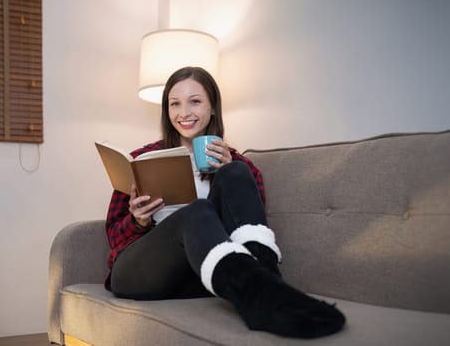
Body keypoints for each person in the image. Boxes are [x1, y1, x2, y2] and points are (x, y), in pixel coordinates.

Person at [104, 66, 345, 338]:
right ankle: (265, 295)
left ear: (213, 108)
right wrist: (138, 220)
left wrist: (226, 171)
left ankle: (268, 290)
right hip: (140, 272)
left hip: (200, 276)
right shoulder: (142, 159)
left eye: (195, 101)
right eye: (175, 104)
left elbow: (246, 228)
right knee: (197, 210)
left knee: (235, 173)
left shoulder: (240, 164)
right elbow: (114, 235)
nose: (184, 113)